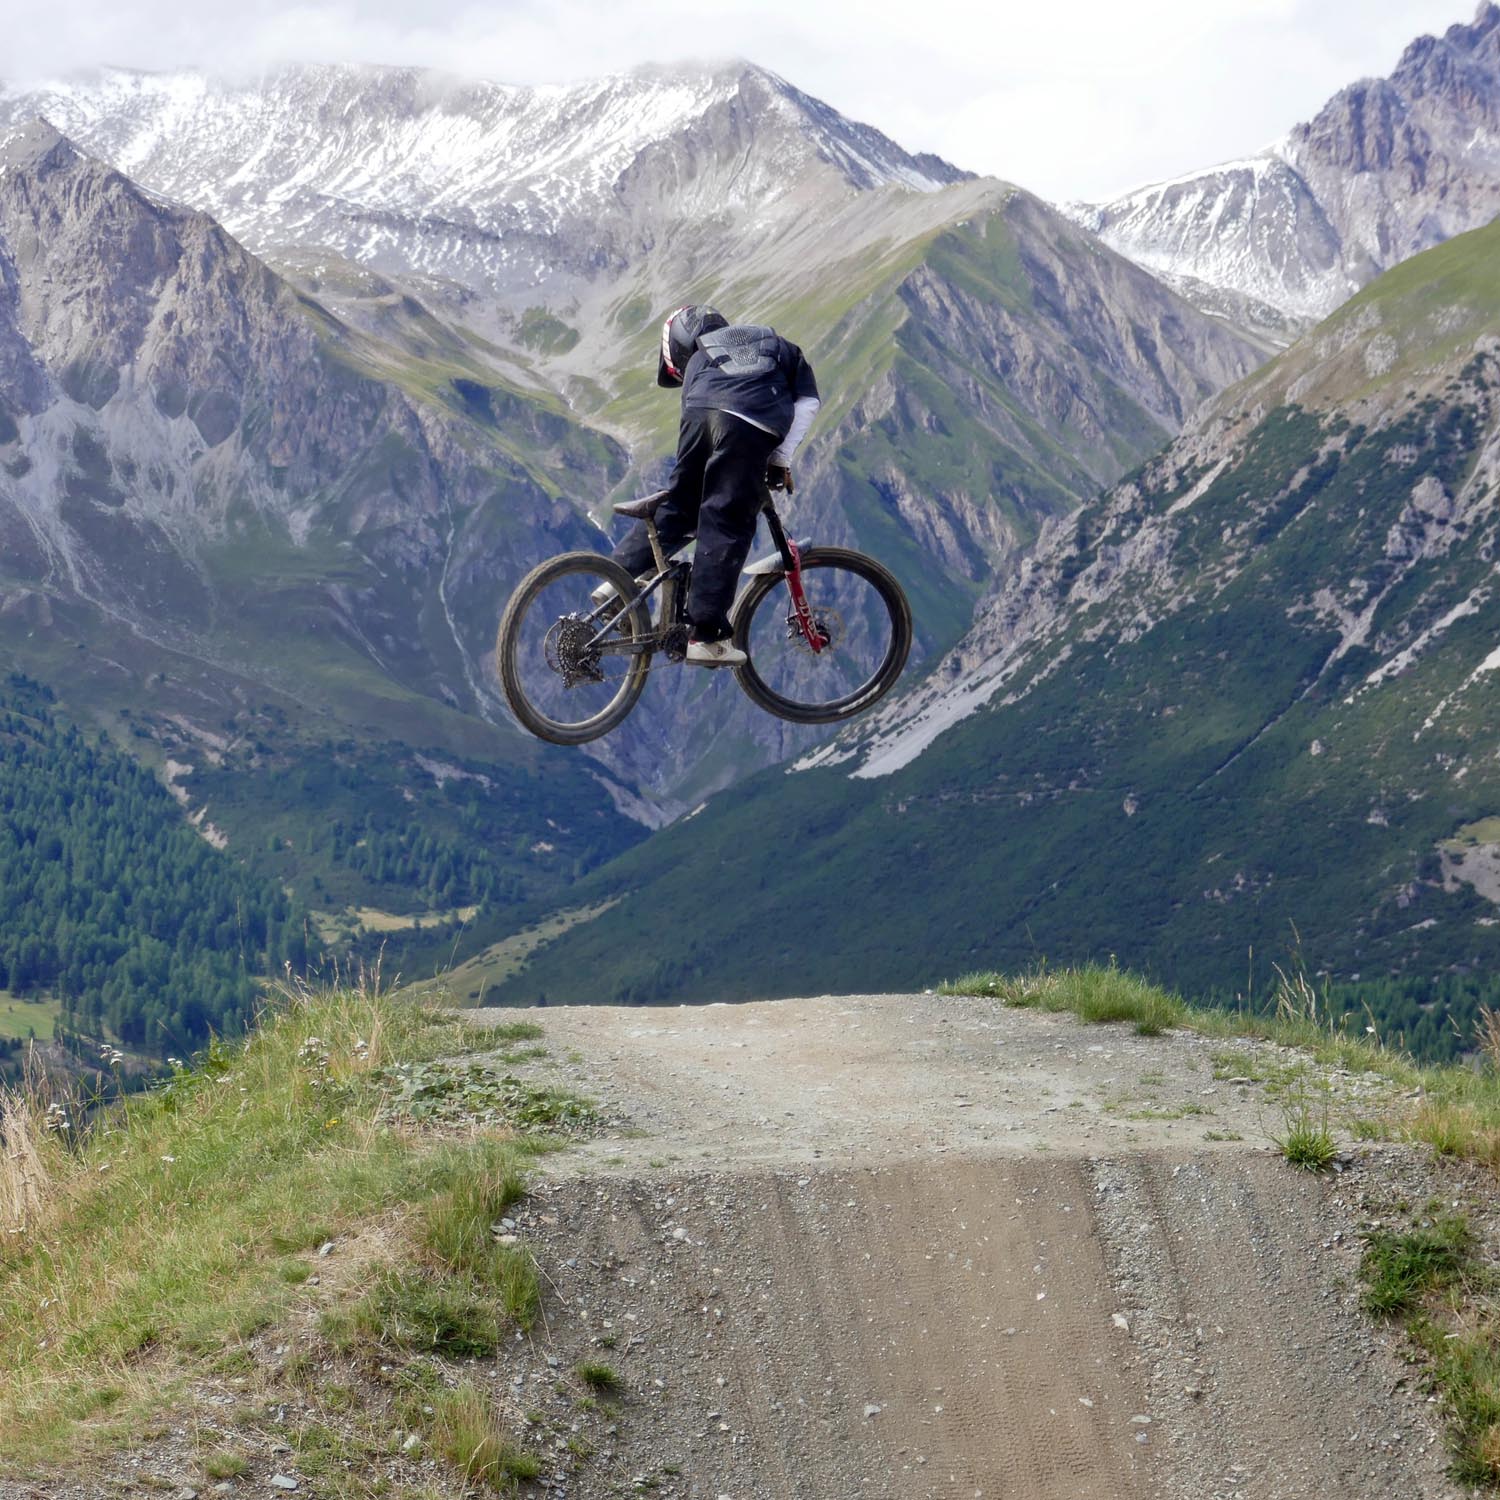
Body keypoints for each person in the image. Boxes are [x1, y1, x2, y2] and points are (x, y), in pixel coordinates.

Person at [609, 305, 821, 666]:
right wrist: (780, 459)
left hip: (699, 414)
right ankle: (706, 637)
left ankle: (613, 579)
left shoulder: (699, 359)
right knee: (727, 519)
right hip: (748, 420)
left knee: (682, 504)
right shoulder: (776, 344)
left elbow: (695, 416)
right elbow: (808, 403)